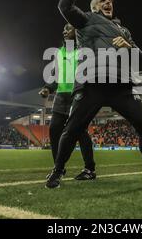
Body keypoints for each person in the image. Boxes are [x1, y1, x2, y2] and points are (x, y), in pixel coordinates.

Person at [45, 0, 142, 191]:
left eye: (109, 0)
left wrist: (129, 46)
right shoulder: (85, 20)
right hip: (92, 85)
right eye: (103, 0)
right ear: (93, 7)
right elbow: (63, 6)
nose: (108, 2)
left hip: (121, 86)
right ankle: (57, 171)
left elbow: (141, 58)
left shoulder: (124, 30)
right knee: (72, 129)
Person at [39, 23, 96, 180]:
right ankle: (59, 167)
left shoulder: (84, 49)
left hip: (78, 94)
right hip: (61, 96)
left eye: (68, 28)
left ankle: (90, 169)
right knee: (54, 129)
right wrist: (47, 88)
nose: (64, 31)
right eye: (63, 29)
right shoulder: (59, 52)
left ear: (76, 31)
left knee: (80, 132)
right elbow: (54, 75)